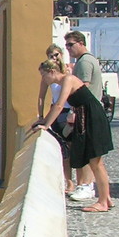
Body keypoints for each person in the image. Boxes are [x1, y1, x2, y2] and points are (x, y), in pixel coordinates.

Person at [32, 59, 113, 213]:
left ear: (52, 72)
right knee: (96, 161)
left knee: (96, 162)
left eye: (44, 76)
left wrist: (46, 125)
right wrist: (43, 120)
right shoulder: (65, 81)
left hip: (92, 118)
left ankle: (103, 202)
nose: (44, 79)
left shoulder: (67, 79)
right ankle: (106, 197)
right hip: (87, 117)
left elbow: (59, 105)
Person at [64, 30, 104, 200]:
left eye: (71, 45)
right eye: (66, 45)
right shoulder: (86, 60)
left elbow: (82, 89)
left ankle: (86, 186)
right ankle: (86, 185)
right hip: (89, 111)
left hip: (86, 112)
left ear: (81, 43)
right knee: (88, 151)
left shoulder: (84, 63)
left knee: (88, 151)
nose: (68, 49)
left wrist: (73, 112)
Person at [37, 44, 75, 193]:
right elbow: (41, 97)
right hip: (57, 113)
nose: (54, 58)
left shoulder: (69, 72)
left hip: (69, 112)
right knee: (64, 150)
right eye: (51, 56)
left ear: (61, 54)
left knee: (74, 149)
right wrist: (41, 117)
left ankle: (83, 182)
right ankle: (69, 182)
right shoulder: (47, 75)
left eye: (56, 55)